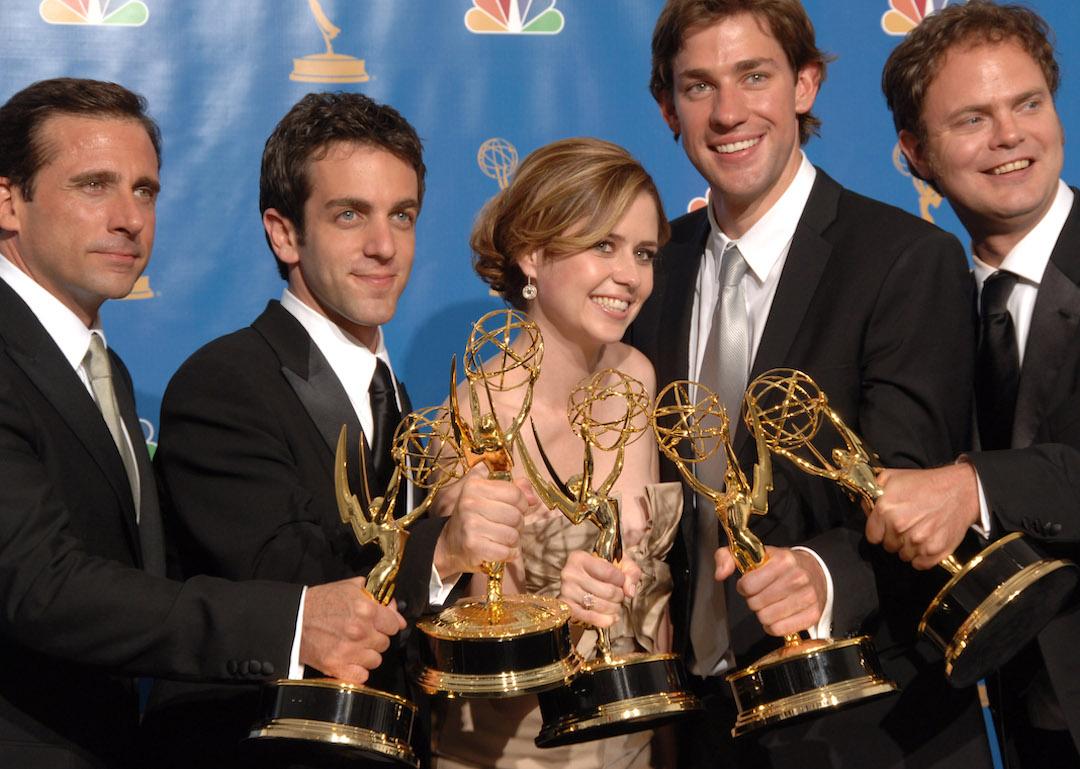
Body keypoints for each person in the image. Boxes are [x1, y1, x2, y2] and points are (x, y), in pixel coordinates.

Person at [0, 77, 407, 769]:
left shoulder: (103, 368)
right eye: (94, 185)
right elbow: (41, 584)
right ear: (8, 200)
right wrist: (295, 620)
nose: (129, 217)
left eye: (145, 191)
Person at [627, 1, 994, 767]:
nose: (729, 113)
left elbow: (915, 491)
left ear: (806, 85)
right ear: (667, 108)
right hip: (698, 728)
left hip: (868, 719)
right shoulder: (648, 269)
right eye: (698, 87)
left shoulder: (905, 259)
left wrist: (823, 575)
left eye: (754, 76)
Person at [144, 92, 529, 767]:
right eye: (349, 215)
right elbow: (293, 588)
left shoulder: (399, 399)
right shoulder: (223, 384)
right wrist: (443, 552)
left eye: (401, 216)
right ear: (284, 232)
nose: (383, 246)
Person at [430, 137, 682, 769]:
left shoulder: (637, 377)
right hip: (514, 752)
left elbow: (646, 589)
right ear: (533, 255)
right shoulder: (474, 415)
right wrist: (550, 609)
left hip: (634, 740)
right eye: (603, 245)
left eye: (644, 252)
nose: (631, 276)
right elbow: (459, 633)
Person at [879, 2, 1080, 766]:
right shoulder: (931, 308)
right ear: (916, 154)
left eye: (1028, 104)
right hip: (1026, 726)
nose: (1010, 136)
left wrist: (973, 486)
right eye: (972, 119)